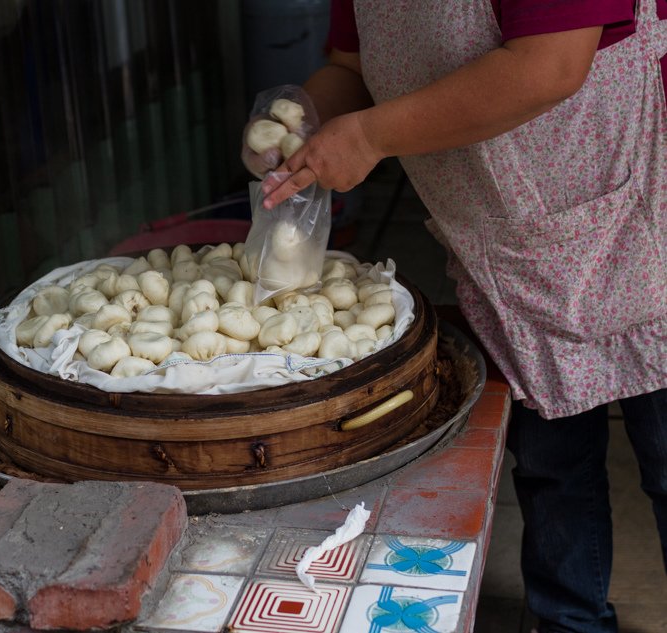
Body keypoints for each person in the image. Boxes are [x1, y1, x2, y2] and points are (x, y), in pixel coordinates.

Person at [250, 1, 667, 632]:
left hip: (634, 212)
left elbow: (550, 65)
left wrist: (369, 137)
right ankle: (570, 622)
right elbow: (351, 68)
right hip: (508, 240)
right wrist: (301, 129)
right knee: (552, 464)